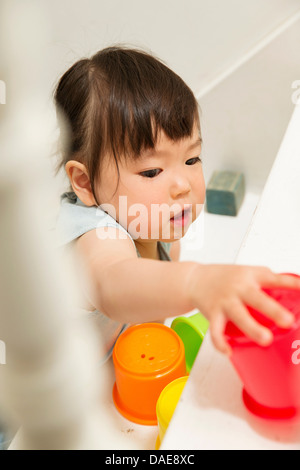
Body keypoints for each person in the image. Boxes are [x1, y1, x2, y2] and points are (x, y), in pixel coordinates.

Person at [54, 45, 300, 363]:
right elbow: (114, 283)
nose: (183, 185)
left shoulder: (158, 225)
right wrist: (196, 282)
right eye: (152, 171)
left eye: (191, 159)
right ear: (86, 183)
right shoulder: (93, 238)